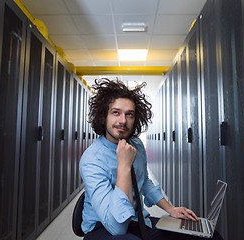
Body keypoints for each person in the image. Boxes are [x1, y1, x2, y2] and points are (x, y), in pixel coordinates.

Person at [80, 79, 222, 240]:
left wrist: (170, 209)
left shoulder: (136, 145)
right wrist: (124, 166)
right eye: (115, 112)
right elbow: (116, 227)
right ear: (103, 116)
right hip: (104, 228)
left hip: (138, 222)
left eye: (129, 114)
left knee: (208, 236)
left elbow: (144, 181)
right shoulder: (92, 159)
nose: (123, 121)